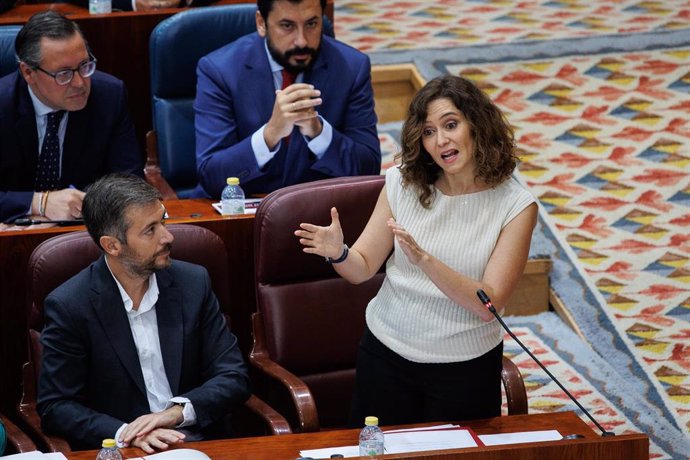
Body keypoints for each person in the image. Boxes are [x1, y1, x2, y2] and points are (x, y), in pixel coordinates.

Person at [295, 75, 538, 425]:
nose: (440, 141)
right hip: (386, 356)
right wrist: (339, 253)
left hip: (465, 368)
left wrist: (426, 261)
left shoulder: (515, 206)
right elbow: (361, 268)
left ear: (477, 126)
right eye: (427, 132)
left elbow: (490, 304)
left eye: (451, 125)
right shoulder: (403, 182)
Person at [37, 174, 251, 452]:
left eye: (163, 221)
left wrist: (175, 413)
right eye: (150, 230)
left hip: (196, 443)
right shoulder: (71, 305)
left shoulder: (193, 283)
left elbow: (233, 377)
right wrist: (127, 433)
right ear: (112, 245)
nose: (168, 236)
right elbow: (56, 406)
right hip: (123, 449)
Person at [194, 0, 381, 199]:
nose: (301, 41)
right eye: (287, 26)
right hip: (240, 214)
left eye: (311, 24)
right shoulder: (219, 70)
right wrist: (270, 134)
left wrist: (319, 133)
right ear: (261, 23)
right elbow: (211, 176)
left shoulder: (352, 67)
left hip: (318, 212)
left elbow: (368, 169)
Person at [0, 11, 143, 224]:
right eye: (64, 73)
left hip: (84, 233)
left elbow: (129, 181)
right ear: (28, 73)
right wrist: (40, 202)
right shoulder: (3, 104)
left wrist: (91, 205)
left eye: (85, 65)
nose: (79, 83)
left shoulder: (109, 96)